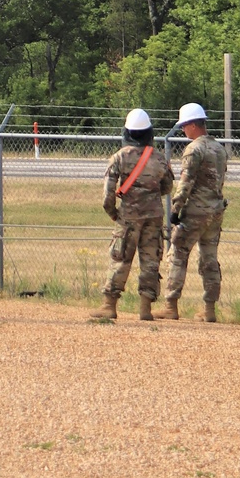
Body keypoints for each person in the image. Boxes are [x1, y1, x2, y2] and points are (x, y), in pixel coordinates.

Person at [89, 108, 172, 322]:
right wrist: (149, 195)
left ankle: (109, 305)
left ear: (126, 132)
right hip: (154, 215)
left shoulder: (119, 157)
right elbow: (167, 186)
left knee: (120, 258)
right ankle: (145, 309)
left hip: (128, 216)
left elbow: (108, 194)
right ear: (149, 132)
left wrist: (114, 213)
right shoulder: (160, 158)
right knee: (151, 260)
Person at [155, 102, 228, 323]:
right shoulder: (219, 148)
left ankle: (170, 305)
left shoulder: (194, 149)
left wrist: (176, 209)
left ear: (193, 125)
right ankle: (209, 309)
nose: (184, 131)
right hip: (215, 211)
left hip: (194, 212)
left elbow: (185, 183)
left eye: (185, 126)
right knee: (210, 260)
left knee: (177, 255)